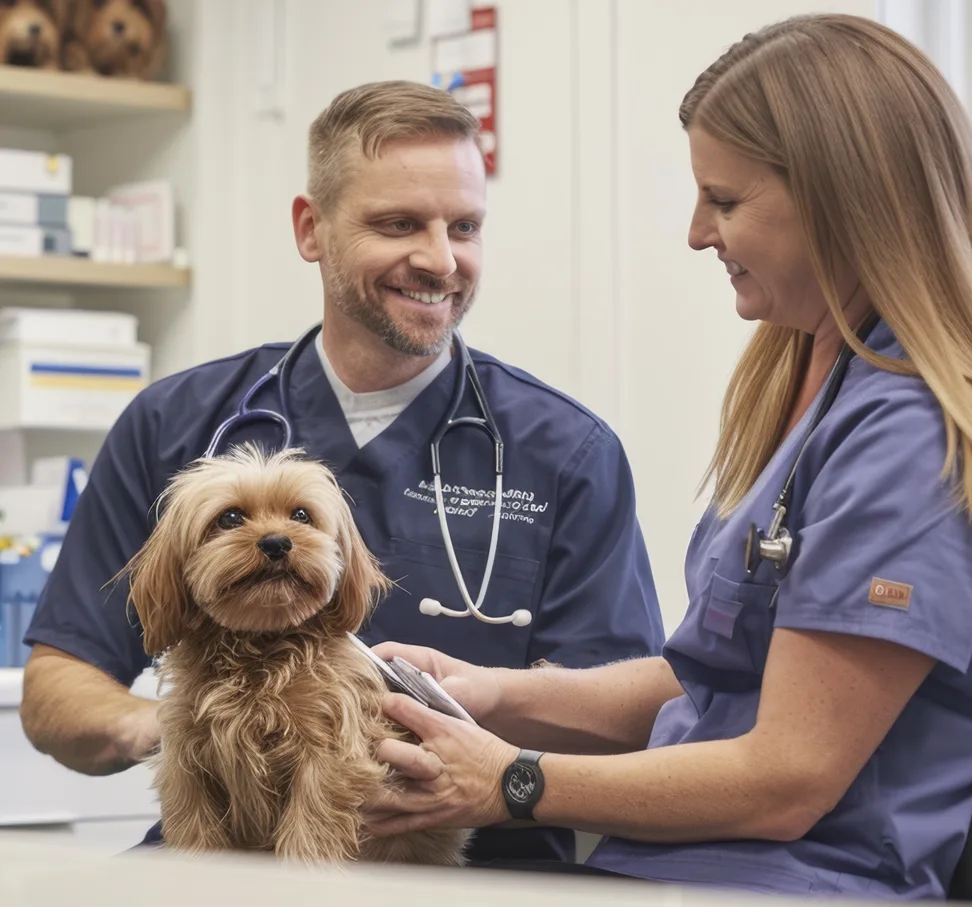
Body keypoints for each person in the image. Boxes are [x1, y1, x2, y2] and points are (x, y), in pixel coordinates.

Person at [364, 14, 972, 899]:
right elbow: (706, 681)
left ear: (840, 197)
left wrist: (511, 779)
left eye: (726, 201)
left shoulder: (915, 433)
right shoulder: (816, 381)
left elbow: (787, 776)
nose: (699, 233)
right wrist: (495, 694)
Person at [18, 80, 666, 866]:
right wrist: (185, 729)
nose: (439, 259)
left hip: (468, 869)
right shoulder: (174, 421)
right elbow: (57, 685)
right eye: (397, 224)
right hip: (215, 854)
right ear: (310, 228)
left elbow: (634, 718)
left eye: (463, 226)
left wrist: (479, 735)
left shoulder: (565, 451)